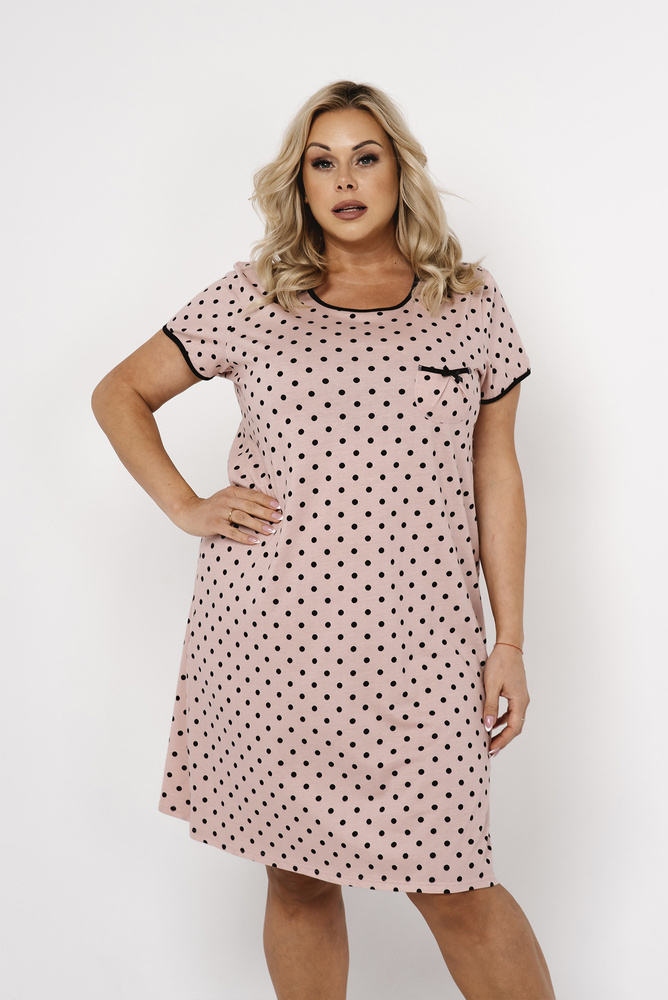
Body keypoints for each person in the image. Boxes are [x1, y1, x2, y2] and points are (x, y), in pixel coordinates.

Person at [92, 80, 556, 1000]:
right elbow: (120, 393)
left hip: (422, 643)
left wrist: (508, 640)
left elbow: (496, 472)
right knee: (298, 873)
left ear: (399, 172)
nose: (345, 180)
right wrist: (187, 505)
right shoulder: (253, 296)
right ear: (299, 183)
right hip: (272, 636)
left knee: (454, 883)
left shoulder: (469, 302)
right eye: (322, 162)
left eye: (365, 158)